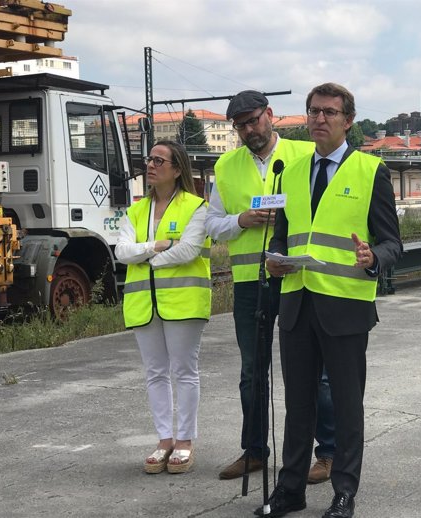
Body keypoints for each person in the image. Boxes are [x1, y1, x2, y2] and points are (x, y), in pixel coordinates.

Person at [261, 83, 402, 518]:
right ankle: (290, 489)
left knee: (345, 405)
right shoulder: (291, 172)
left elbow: (393, 243)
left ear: (348, 121)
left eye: (329, 112)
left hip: (345, 307)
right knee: (297, 404)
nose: (319, 118)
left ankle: (345, 491)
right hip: (297, 305)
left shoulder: (370, 170)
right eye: (313, 111)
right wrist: (275, 259)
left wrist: (372, 257)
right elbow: (285, 234)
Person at [205, 90, 336, 483]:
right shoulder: (226, 167)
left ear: (271, 116)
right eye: (240, 125)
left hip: (299, 278)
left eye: (254, 120)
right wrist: (241, 220)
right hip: (250, 283)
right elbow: (211, 225)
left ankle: (327, 453)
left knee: (317, 372)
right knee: (252, 371)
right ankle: (255, 451)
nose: (248, 130)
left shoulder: (303, 155)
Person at [116, 140, 211, 474]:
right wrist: (155, 246)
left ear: (177, 168)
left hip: (184, 303)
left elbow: (189, 249)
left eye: (159, 160)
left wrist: (148, 260)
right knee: (155, 372)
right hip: (144, 304)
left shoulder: (196, 207)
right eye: (149, 159)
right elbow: (121, 252)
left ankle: (184, 441)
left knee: (184, 371)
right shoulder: (136, 210)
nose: (151, 165)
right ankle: (164, 439)